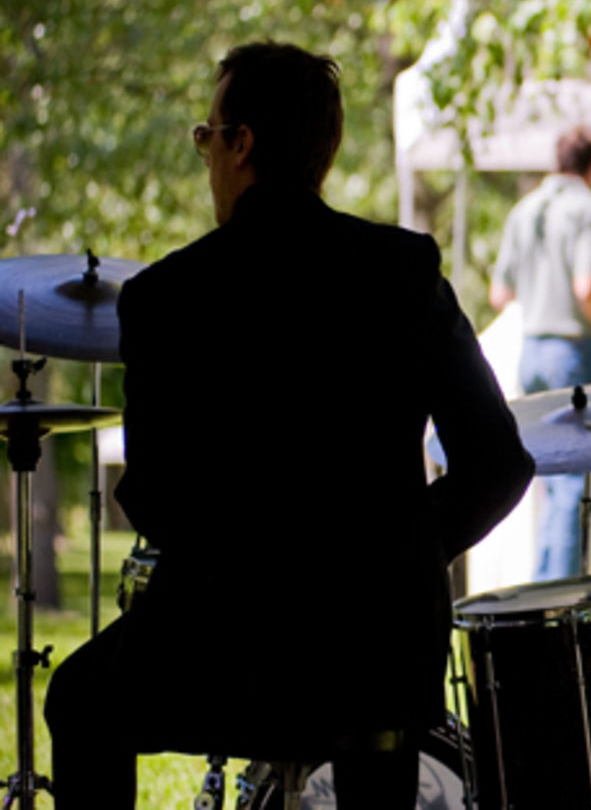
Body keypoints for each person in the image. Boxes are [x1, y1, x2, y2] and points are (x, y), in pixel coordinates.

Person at [44, 42, 532, 807]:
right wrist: (397, 549)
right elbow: (500, 464)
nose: (206, 155)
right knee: (374, 710)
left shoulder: (167, 297)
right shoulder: (403, 271)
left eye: (208, 136)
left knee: (80, 700)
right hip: (377, 651)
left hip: (223, 648)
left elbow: (155, 501)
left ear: (242, 145)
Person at [490, 125, 591, 581]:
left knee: (547, 481)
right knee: (572, 485)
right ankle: (559, 595)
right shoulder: (590, 208)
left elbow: (499, 292)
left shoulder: (525, 210)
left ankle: (544, 584)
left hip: (533, 351)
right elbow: (587, 286)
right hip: (572, 351)